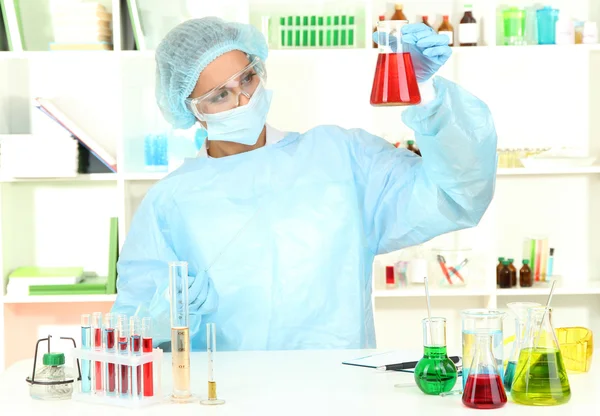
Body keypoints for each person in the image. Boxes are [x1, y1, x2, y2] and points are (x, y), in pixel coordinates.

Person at [112, 17, 497, 351]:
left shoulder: (340, 156)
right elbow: (127, 329)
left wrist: (427, 97)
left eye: (247, 77)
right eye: (220, 96)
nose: (244, 99)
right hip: (227, 395)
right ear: (190, 111)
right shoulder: (172, 200)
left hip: (339, 386)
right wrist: (160, 318)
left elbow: (457, 195)